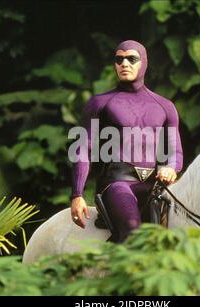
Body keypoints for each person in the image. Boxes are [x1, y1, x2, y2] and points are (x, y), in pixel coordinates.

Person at [70, 40, 183, 242]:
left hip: (154, 187)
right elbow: (82, 149)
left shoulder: (165, 106)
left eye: (132, 58)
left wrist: (172, 168)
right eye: (119, 59)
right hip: (117, 184)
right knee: (132, 231)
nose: (124, 63)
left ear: (144, 63)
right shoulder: (100, 103)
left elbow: (176, 152)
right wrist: (77, 194)